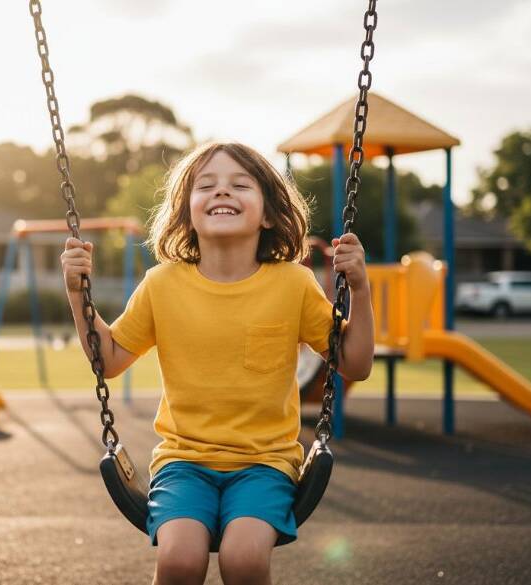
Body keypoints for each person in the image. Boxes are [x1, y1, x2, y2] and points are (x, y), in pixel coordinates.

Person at [60, 141, 375, 585]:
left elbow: (355, 365)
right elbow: (108, 359)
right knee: (179, 562)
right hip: (183, 462)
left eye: (239, 184)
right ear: (187, 210)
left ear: (268, 213)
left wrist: (360, 290)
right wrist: (79, 294)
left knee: (243, 559)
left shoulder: (293, 284)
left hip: (265, 464)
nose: (222, 192)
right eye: (206, 185)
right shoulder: (162, 285)